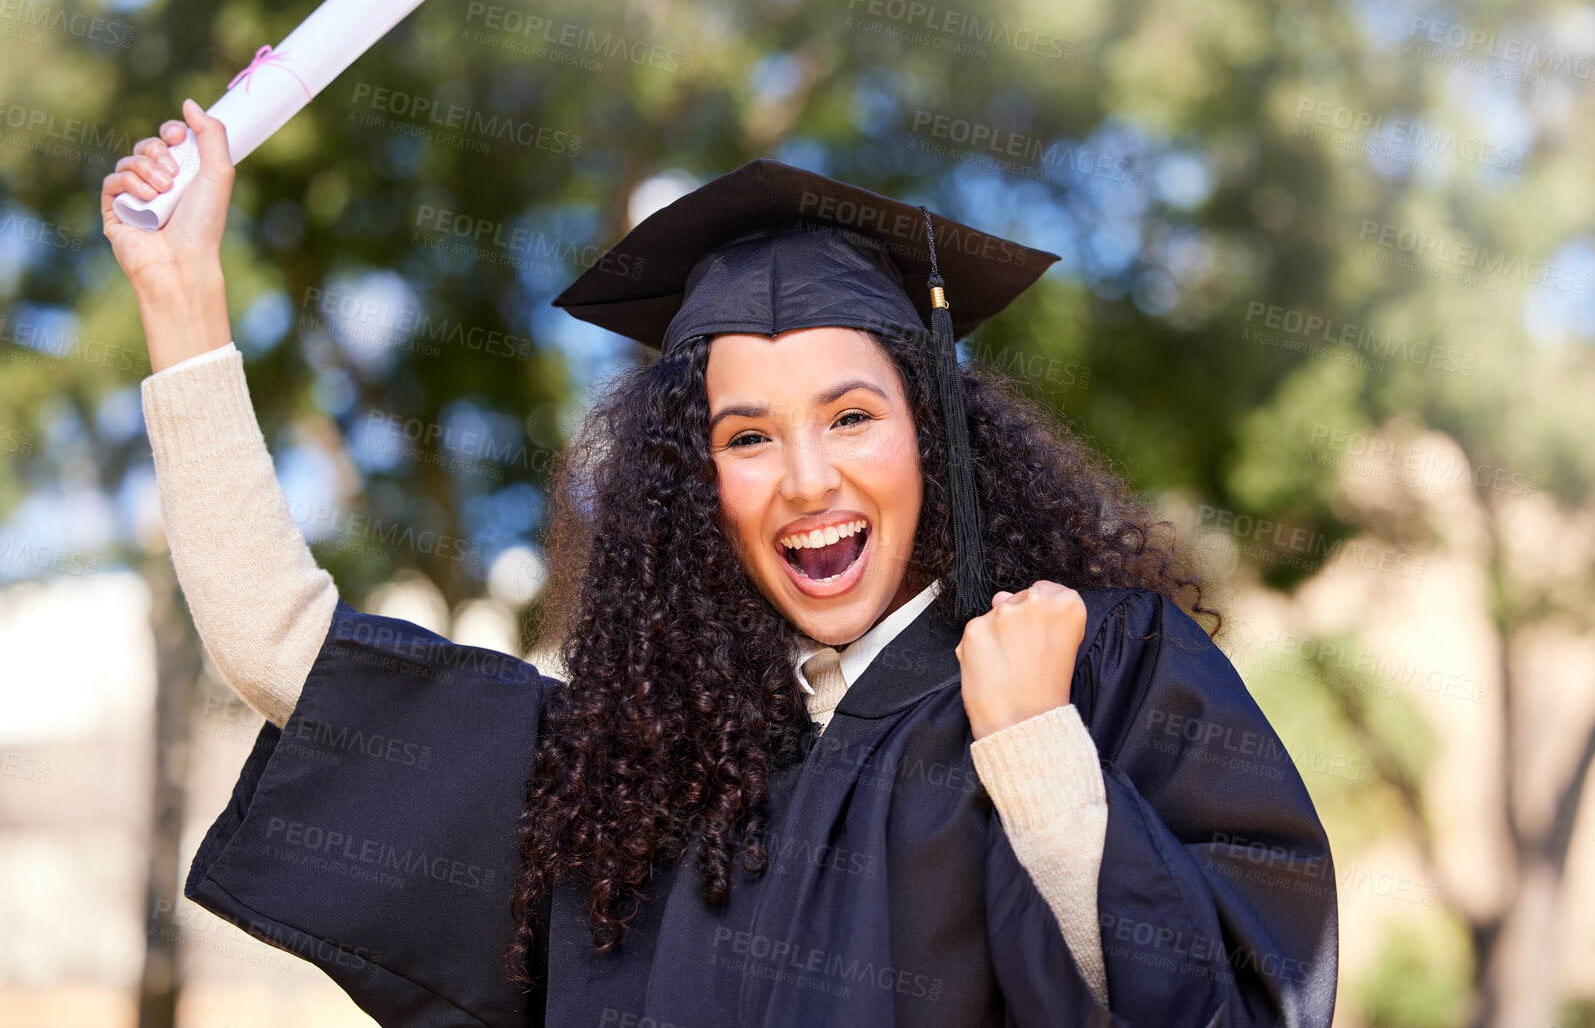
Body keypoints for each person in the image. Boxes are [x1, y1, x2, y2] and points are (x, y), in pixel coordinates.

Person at [103, 100, 1339, 1027]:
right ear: (696, 488)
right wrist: (181, 297)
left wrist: (1034, 751)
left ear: (936, 437)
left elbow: (1220, 1003)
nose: (806, 479)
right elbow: (279, 646)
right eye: (746, 438)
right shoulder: (640, 781)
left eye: (852, 416)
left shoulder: (1099, 666)